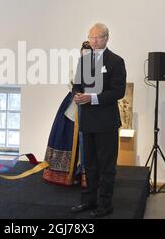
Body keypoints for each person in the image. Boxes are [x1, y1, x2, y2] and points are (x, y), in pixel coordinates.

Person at [70, 23, 126, 218]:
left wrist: (92, 98)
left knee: (106, 167)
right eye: (91, 37)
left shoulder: (116, 61)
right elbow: (76, 86)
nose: (94, 40)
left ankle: (105, 205)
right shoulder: (83, 61)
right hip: (87, 120)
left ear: (106, 38)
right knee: (90, 165)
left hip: (106, 122)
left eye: (98, 37)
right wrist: (77, 95)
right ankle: (88, 201)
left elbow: (119, 91)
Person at [43, 41, 91, 187]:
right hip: (74, 106)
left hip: (91, 106)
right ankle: (67, 173)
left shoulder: (98, 71)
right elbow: (73, 85)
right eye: (84, 54)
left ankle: (86, 174)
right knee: (68, 136)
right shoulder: (75, 70)